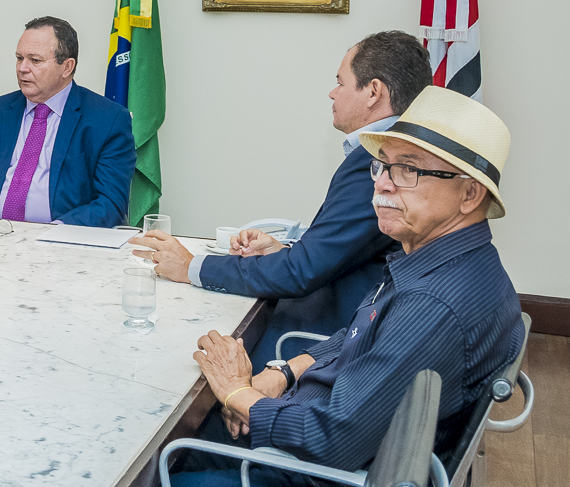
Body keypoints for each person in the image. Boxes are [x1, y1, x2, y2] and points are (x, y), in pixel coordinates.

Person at [112, 87, 522, 487]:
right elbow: (356, 334)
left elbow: (332, 439)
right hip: (334, 467)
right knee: (169, 449)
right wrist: (284, 373)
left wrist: (240, 394)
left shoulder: (434, 303)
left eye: (409, 170)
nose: (383, 185)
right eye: (382, 166)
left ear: (469, 193)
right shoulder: (442, 261)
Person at [133, 31, 432, 364]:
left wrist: (191, 266)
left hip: (328, 337)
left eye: (341, 83)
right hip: (342, 313)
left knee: (184, 353)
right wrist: (284, 250)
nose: (332, 93)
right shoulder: (404, 150)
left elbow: (302, 273)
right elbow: (343, 251)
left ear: (373, 91)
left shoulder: (381, 159)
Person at [0, 16, 136, 227]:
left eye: (35, 61)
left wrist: (55, 233)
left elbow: (111, 203)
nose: (22, 68)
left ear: (67, 67)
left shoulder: (107, 121)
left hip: (60, 246)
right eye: (19, 58)